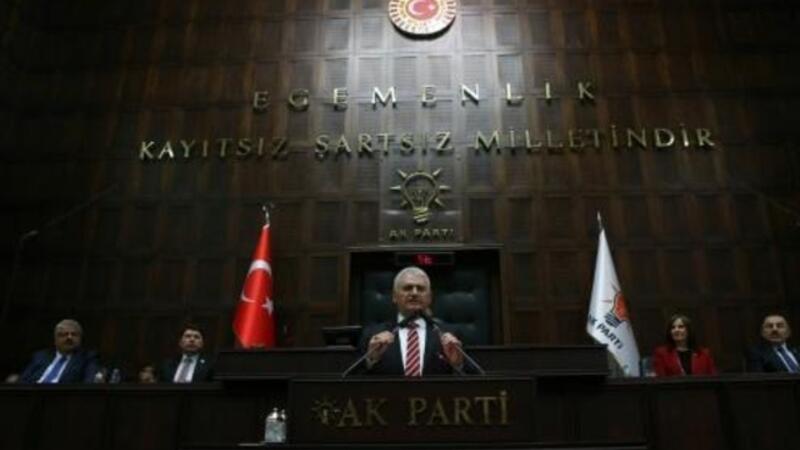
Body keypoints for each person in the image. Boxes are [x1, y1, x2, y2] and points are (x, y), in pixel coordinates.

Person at [358, 266, 470, 376]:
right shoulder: (372, 335)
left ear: (429, 297)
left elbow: (472, 379)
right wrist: (370, 360)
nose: (414, 293)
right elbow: (354, 379)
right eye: (407, 288)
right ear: (394, 296)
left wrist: (458, 365)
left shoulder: (451, 336)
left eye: (420, 289)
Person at [18, 319, 100, 383]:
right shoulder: (40, 356)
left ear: (80, 339)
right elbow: (23, 380)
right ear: (55, 339)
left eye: (74, 334)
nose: (69, 338)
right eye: (63, 334)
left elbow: (88, 383)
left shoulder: (87, 358)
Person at [651, 314, 717, 376]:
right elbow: (660, 378)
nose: (676, 330)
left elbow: (713, 377)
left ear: (689, 330)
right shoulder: (661, 354)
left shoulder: (704, 354)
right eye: (673, 328)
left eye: (681, 327)